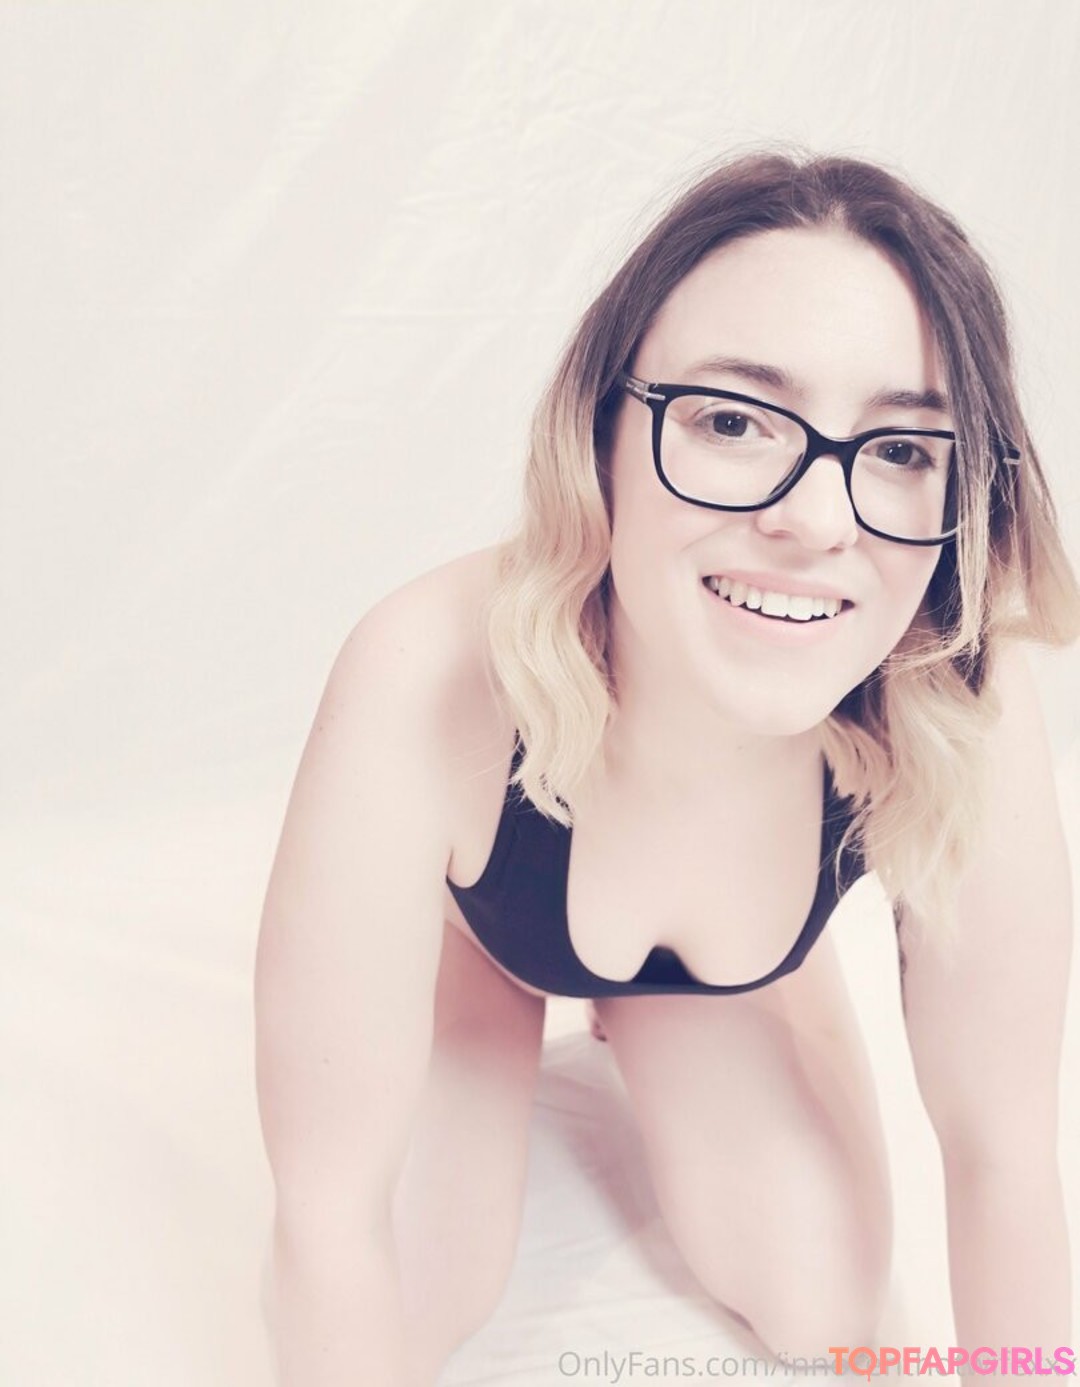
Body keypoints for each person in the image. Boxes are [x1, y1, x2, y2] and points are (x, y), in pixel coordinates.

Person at [253, 149, 1080, 1386]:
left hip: (728, 972)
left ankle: (679, 991)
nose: (817, 521)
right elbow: (326, 1214)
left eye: (904, 449)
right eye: (732, 421)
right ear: (602, 429)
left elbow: (1005, 1153)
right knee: (418, 1279)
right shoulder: (426, 675)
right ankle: (511, 988)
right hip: (486, 931)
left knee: (828, 1308)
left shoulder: (952, 690)